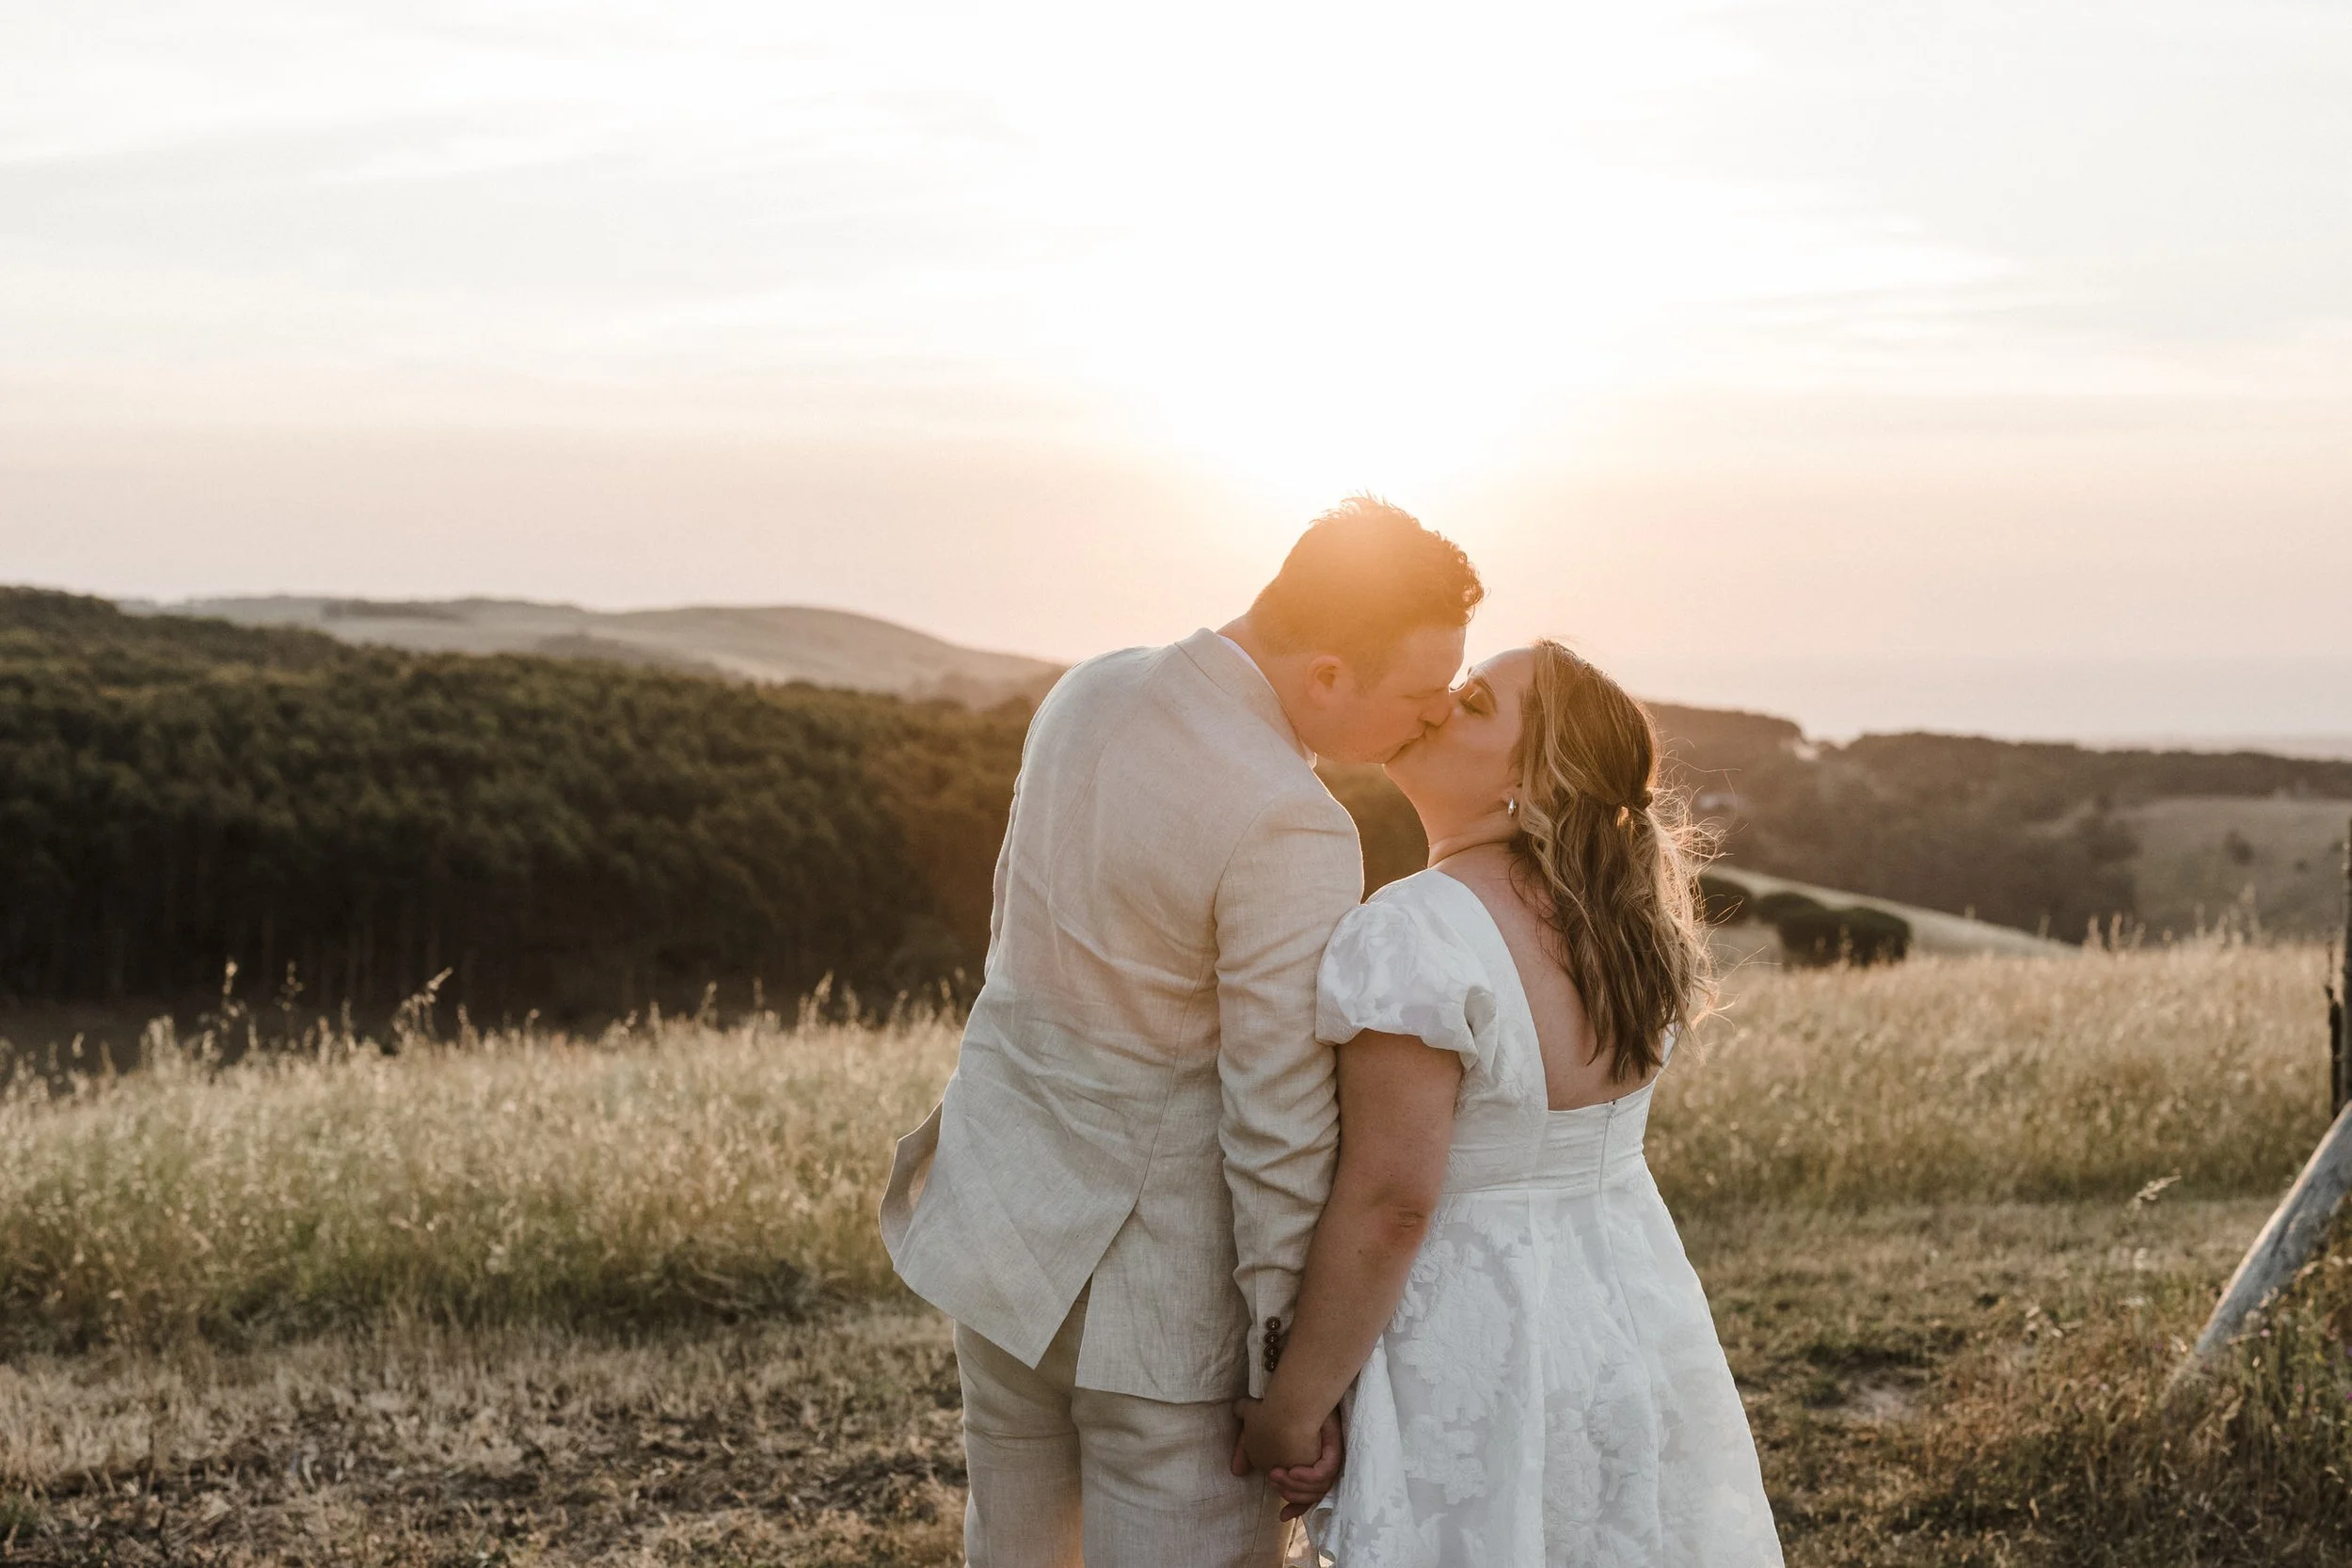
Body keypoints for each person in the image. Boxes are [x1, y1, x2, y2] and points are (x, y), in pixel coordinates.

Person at [880, 497, 1485, 1567]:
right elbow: (1279, 1118)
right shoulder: (1290, 818)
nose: (1429, 721)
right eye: (1417, 696)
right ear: (1329, 675)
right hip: (1157, 1305)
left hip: (1001, 1222)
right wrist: (1286, 1370)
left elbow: (1017, 945)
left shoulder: (1087, 687)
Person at [1235, 641, 1784, 1566]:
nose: (1441, 702)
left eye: (1477, 701)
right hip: (1628, 1320)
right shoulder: (1623, 927)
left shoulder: (1414, 928)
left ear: (1526, 783)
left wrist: (1292, 1407)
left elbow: (1392, 1203)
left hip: (1471, 1346)